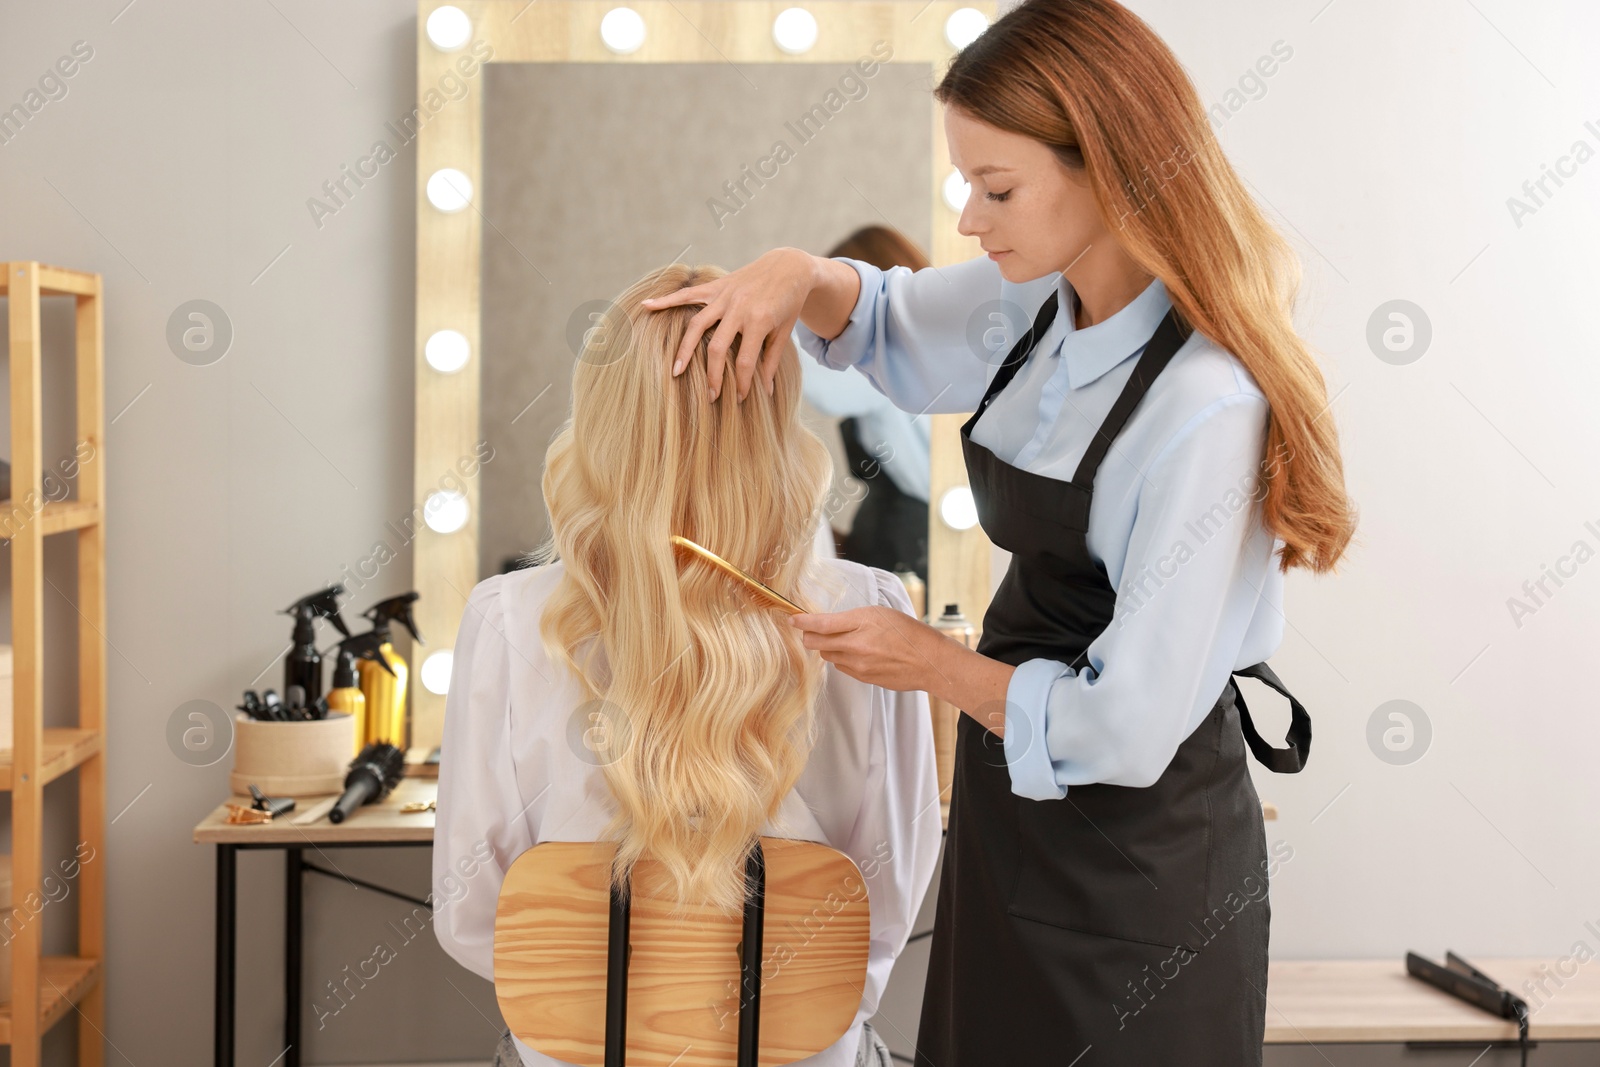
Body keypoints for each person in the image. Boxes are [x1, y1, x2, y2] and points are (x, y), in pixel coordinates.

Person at [639, 0, 1357, 1062]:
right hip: (1015, 825)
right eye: (967, 184)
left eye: (998, 188)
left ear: (1108, 166)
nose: (971, 220)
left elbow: (1126, 725)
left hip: (1143, 868)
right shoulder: (1043, 303)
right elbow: (884, 321)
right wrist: (797, 272)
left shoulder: (1207, 403)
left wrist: (933, 662)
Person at [432, 263, 942, 1067]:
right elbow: (885, 907)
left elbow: (472, 915)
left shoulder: (505, 620)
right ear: (778, 415)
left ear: (603, 418)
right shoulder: (868, 610)